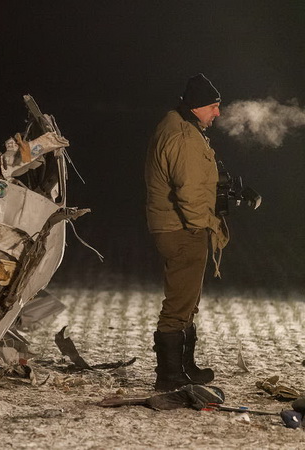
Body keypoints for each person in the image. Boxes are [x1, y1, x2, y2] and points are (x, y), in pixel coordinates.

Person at [145, 73, 228, 391]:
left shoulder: (181, 127)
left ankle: (184, 366)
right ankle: (168, 376)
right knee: (178, 304)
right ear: (196, 106)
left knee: (187, 300)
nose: (217, 113)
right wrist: (200, 227)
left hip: (178, 227)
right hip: (182, 229)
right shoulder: (183, 136)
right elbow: (190, 192)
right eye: (214, 106)